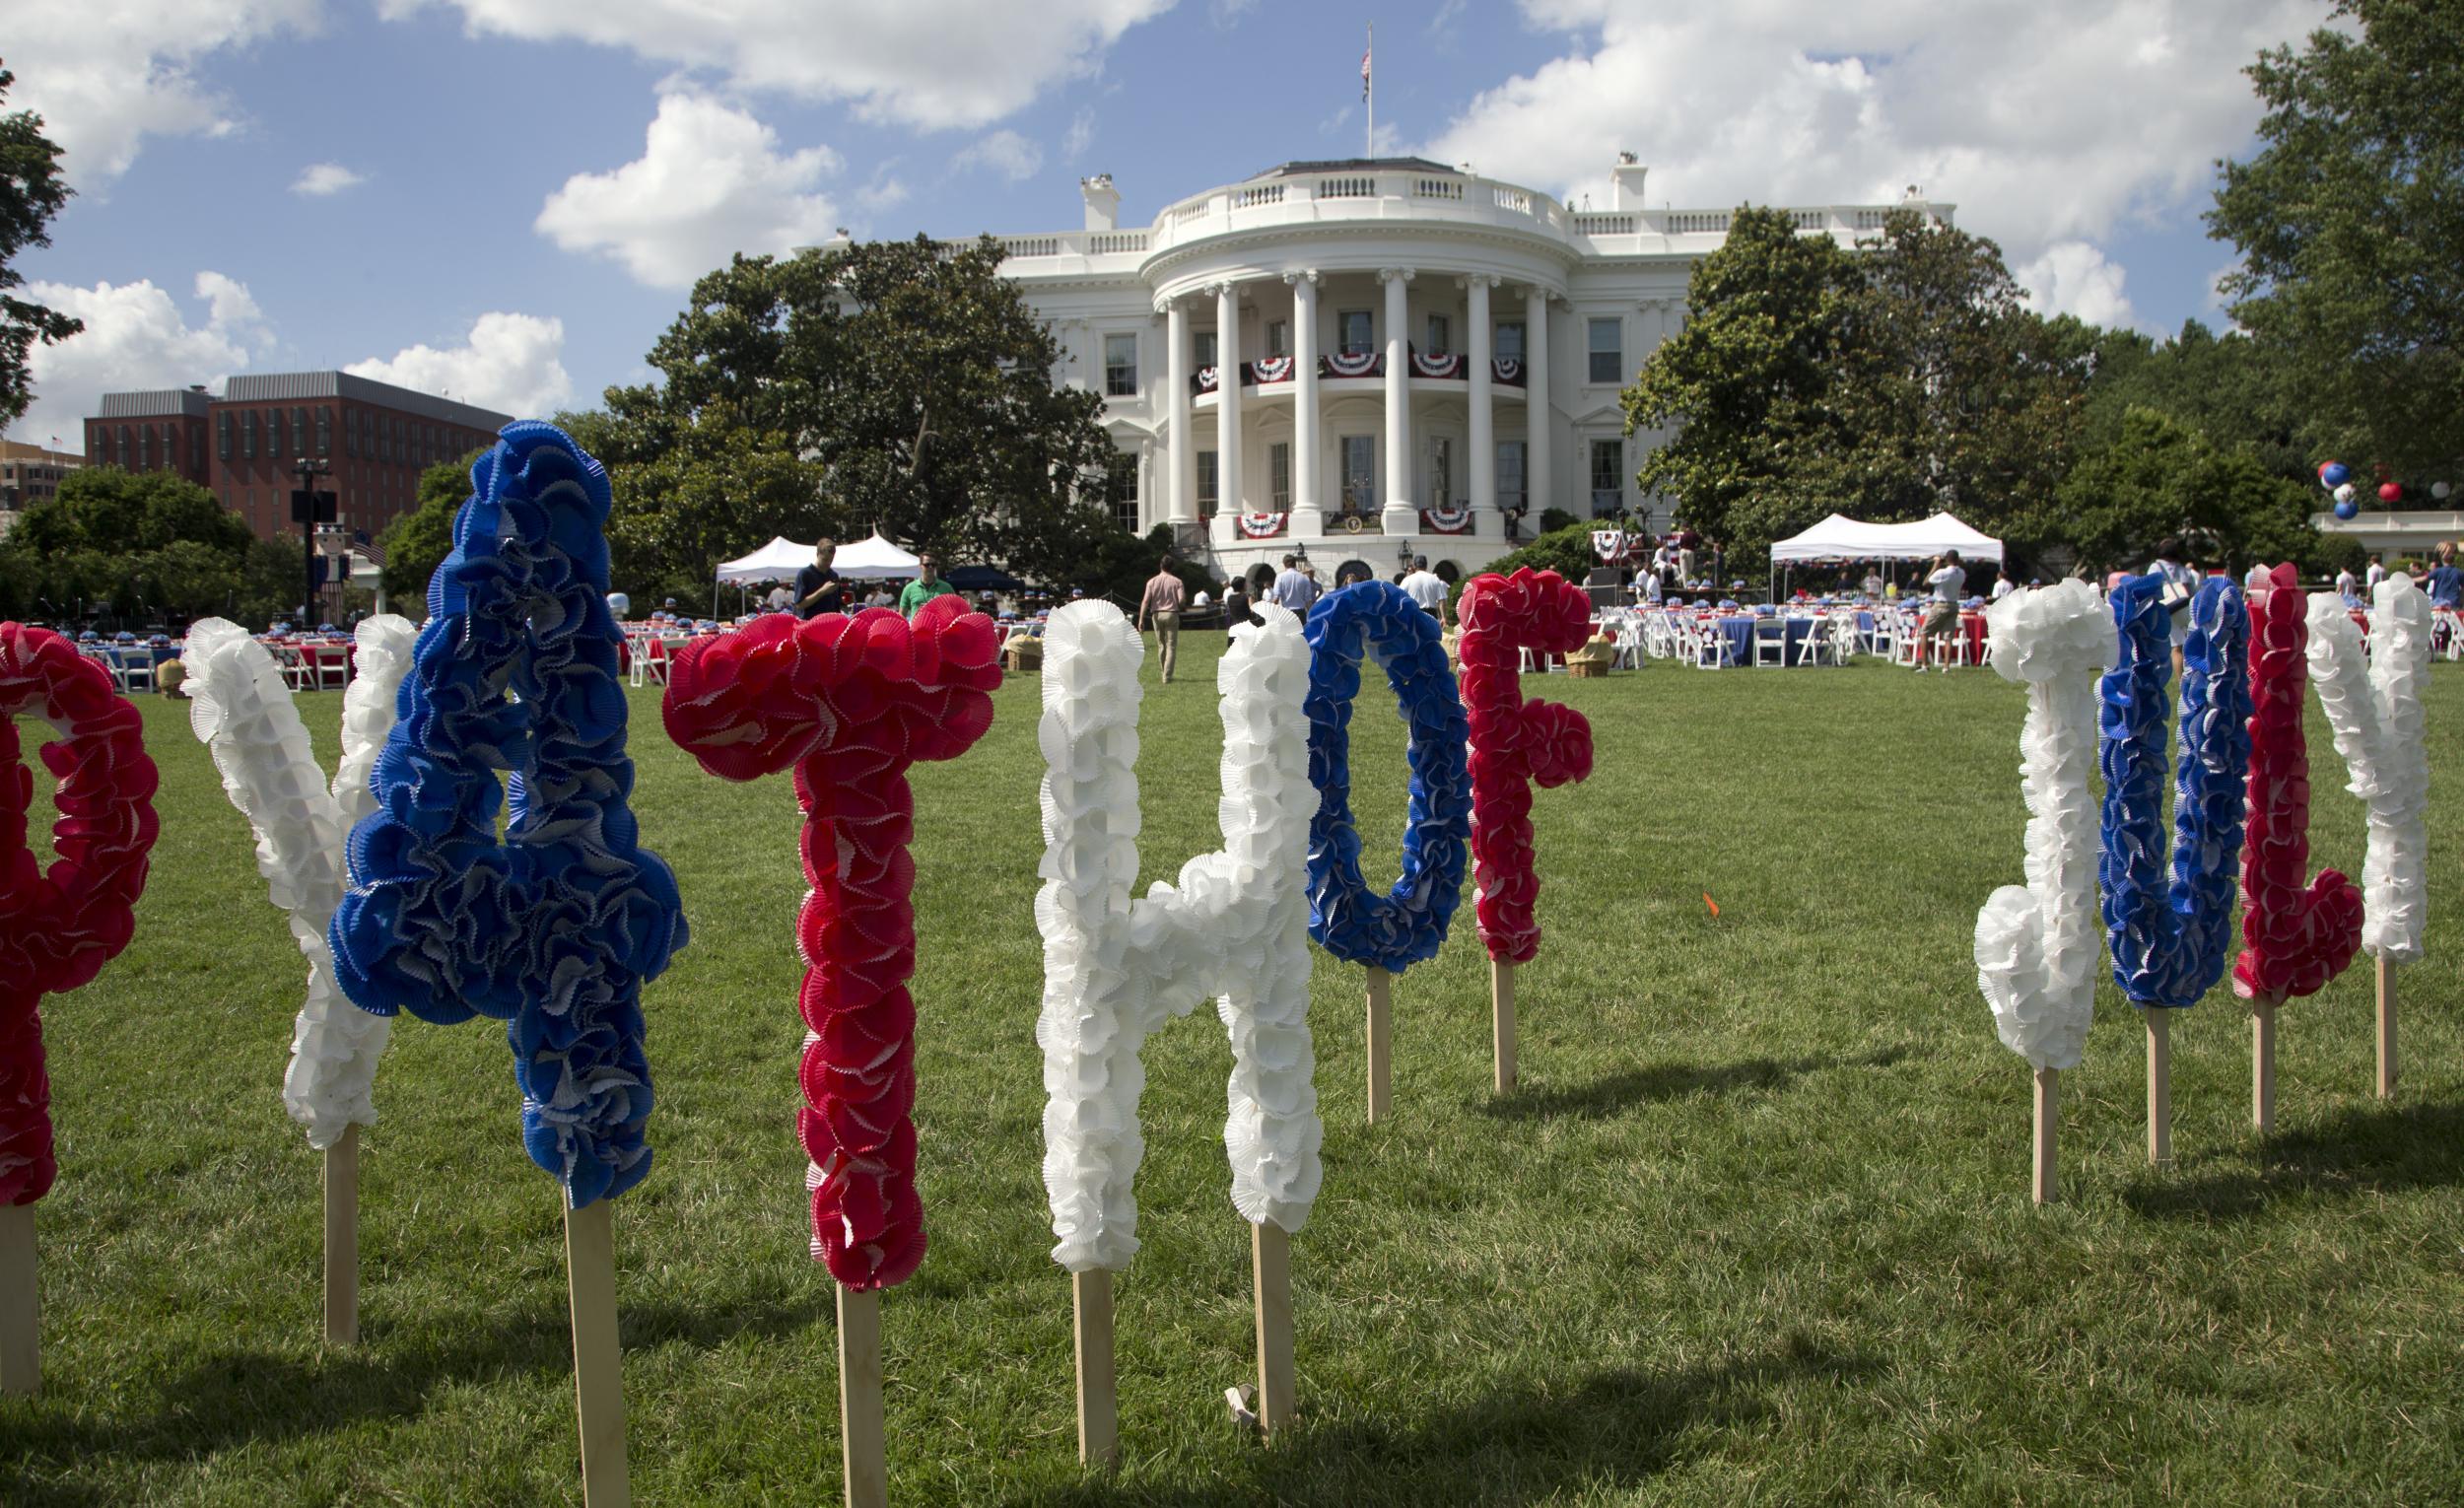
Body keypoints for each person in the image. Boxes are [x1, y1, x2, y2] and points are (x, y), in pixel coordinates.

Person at [2149, 536, 2195, 679]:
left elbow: (2151, 588)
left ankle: (2181, 680)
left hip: (2167, 607)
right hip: (2184, 606)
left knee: (2176, 648)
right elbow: (2189, 589)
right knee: (2187, 643)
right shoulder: (2181, 568)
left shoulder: (2155, 567)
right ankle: (2192, 673)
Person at [1136, 557, 1187, 683]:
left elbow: (1146, 601)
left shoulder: (1152, 581)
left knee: (1161, 645)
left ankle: (1163, 670)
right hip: (1171, 614)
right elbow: (1181, 600)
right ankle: (1167, 676)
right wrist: (1180, 604)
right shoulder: (1177, 582)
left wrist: (1141, 619)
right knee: (1171, 646)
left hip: (1156, 615)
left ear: (1160, 566)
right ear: (1172, 567)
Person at [1918, 550, 1965, 672]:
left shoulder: (1942, 572)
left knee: (1924, 633)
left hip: (1941, 605)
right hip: (1954, 605)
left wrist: (1936, 564)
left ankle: (1924, 665)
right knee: (1948, 637)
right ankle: (1946, 667)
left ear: (1947, 559)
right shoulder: (1962, 573)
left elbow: (1926, 582)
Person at [793, 540, 846, 620]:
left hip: (830, 624)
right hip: (809, 625)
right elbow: (799, 604)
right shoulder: (805, 574)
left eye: (831, 560)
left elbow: (836, 604)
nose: (828, 563)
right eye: (825, 559)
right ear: (817, 554)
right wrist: (822, 591)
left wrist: (844, 601)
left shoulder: (833, 575)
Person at [898, 552, 958, 617]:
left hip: (940, 627)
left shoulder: (947, 588)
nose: (930, 567)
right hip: (917, 627)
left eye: (933, 565)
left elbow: (955, 611)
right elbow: (902, 615)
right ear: (920, 566)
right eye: (927, 565)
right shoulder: (909, 588)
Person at [1401, 556, 1449, 622]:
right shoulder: (1434, 579)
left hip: (1413, 614)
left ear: (1414, 566)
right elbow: (1442, 599)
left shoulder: (1407, 580)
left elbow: (1400, 598)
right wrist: (1443, 617)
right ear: (1426, 565)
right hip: (1431, 614)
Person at [1220, 576, 1256, 646]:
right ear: (1242, 585)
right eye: (1245, 583)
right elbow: (1253, 610)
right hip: (1246, 627)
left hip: (1234, 628)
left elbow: (1230, 611)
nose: (1246, 585)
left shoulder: (1229, 598)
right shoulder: (1247, 596)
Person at [2428, 542, 2464, 611]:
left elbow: (2424, 578)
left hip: (2440, 603)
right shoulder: (2458, 571)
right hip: (2452, 603)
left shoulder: (2438, 571)